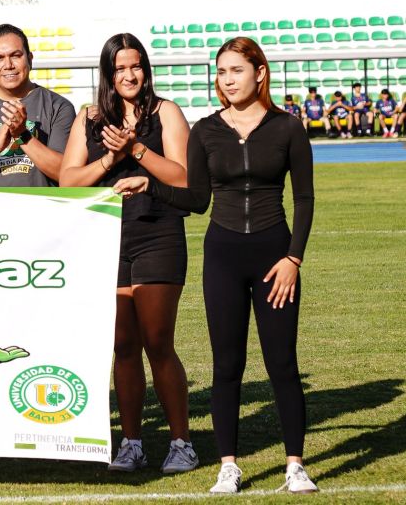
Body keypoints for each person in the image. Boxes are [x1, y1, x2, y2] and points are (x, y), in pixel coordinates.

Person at [113, 37, 317, 495]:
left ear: (259, 73)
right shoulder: (205, 130)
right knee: (227, 365)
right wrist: (149, 184)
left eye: (236, 70)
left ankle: (295, 465)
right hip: (223, 255)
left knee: (282, 363)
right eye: (221, 72)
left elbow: (304, 198)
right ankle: (229, 466)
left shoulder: (288, 127)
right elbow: (198, 200)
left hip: (275, 257)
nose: (227, 80)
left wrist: (293, 258)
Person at [58, 34, 196, 474]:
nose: (129, 75)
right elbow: (68, 181)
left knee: (157, 341)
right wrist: (110, 158)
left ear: (145, 69)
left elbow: (184, 177)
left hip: (158, 235)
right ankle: (131, 443)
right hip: (106, 241)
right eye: (119, 68)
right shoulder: (89, 117)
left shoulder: (165, 112)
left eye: (135, 66)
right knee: (122, 346)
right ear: (107, 73)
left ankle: (181, 443)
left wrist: (136, 149)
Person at [0, 23, 75, 188]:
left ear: (30, 59)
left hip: (42, 204)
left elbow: (67, 175)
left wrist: (22, 135)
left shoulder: (58, 106)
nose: (8, 65)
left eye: (16, 55)